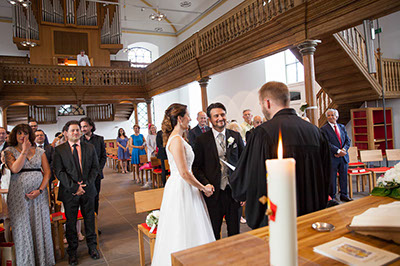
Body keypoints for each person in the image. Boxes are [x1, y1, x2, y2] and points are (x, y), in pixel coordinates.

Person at [230, 81, 331, 229]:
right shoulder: (315, 131)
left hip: (278, 214)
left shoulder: (262, 134)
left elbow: (251, 175)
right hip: (312, 211)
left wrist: (238, 189)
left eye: (261, 103)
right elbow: (327, 174)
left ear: (267, 102)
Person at [151, 103, 215, 266]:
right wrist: (203, 187)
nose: (190, 118)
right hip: (182, 186)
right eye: (188, 115)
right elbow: (184, 172)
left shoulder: (178, 138)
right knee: (183, 226)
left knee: (192, 226)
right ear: (180, 118)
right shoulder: (177, 140)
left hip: (184, 185)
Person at [4, 124, 55, 265]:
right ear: (15, 135)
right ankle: (27, 262)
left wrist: (40, 190)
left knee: (40, 225)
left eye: (25, 133)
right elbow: (15, 169)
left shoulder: (40, 151)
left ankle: (43, 260)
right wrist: (24, 151)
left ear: (30, 135)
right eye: (19, 133)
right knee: (23, 226)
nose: (22, 136)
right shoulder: (9, 151)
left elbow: (47, 172)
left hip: (39, 194)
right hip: (19, 195)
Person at [193, 102, 245, 240]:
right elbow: (196, 167)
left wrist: (243, 191)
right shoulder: (202, 140)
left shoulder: (236, 136)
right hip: (213, 193)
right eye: (216, 116)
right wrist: (205, 185)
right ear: (210, 119)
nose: (220, 118)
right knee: (213, 233)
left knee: (235, 233)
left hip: (233, 193)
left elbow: (243, 164)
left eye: (222, 114)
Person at [53, 121, 100, 265]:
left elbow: (95, 168)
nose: (75, 132)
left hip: (87, 189)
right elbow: (59, 171)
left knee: (90, 220)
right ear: (66, 133)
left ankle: (92, 247)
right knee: (71, 222)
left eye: (77, 130)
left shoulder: (90, 147)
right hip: (69, 192)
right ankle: (72, 252)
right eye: (72, 130)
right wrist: (74, 187)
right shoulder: (59, 150)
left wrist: (86, 184)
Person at [321, 109, 353, 202]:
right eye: (329, 115)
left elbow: (348, 140)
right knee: (332, 178)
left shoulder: (342, 127)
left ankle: (344, 195)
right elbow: (326, 143)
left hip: (343, 157)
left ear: (337, 116)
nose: (331, 117)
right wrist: (338, 151)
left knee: (344, 177)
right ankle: (332, 196)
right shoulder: (324, 129)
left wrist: (344, 150)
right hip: (332, 157)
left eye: (333, 115)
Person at [79, 117, 106, 216]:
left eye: (85, 126)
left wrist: (98, 169)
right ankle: (86, 221)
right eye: (81, 127)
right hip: (84, 175)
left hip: (97, 174)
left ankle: (94, 222)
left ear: (91, 126)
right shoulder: (79, 141)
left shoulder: (99, 139)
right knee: (85, 198)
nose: (83, 129)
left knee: (95, 197)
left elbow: (103, 156)